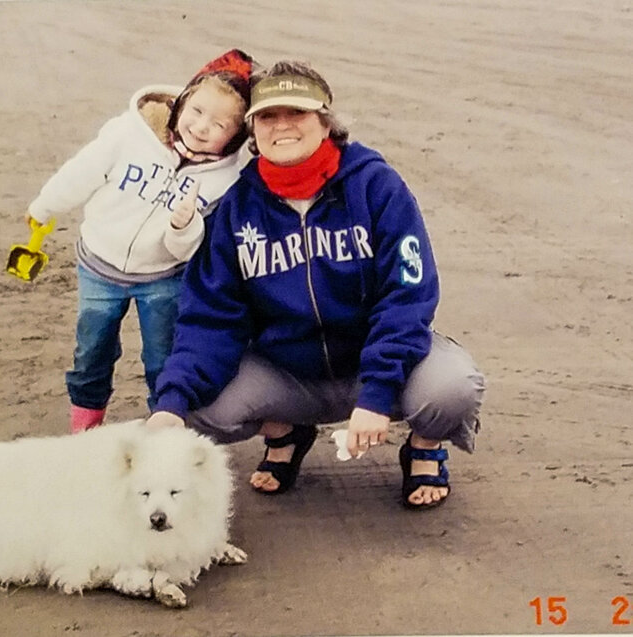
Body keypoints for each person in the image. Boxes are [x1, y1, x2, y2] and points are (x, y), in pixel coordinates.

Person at [146, 60, 485, 509]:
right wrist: (171, 402)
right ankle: (287, 431)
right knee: (191, 411)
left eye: (298, 113)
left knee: (453, 388)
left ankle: (425, 446)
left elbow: (407, 295)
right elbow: (210, 318)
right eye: (268, 116)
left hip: (373, 362)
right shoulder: (235, 208)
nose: (282, 126)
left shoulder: (376, 186)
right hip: (287, 374)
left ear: (325, 120)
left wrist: (379, 391)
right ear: (252, 130)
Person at [25, 50, 257, 433]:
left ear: (235, 137)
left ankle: (164, 427)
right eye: (196, 111)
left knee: (161, 358)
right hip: (99, 264)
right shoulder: (128, 134)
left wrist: (183, 228)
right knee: (92, 351)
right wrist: (44, 206)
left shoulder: (224, 181)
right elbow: (81, 173)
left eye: (219, 124)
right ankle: (85, 426)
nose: (201, 127)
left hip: (163, 277)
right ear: (181, 102)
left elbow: (188, 251)